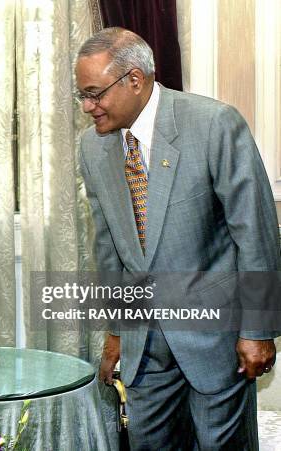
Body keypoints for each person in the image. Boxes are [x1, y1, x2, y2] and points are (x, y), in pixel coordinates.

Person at [76, 27, 280, 449]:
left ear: (134, 79)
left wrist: (258, 330)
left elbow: (256, 233)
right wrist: (116, 331)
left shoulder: (213, 125)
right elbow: (109, 251)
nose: (87, 107)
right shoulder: (92, 149)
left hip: (215, 342)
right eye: (82, 95)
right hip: (144, 346)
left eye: (95, 93)